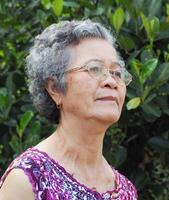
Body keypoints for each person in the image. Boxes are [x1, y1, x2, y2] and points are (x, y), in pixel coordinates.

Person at [0, 19, 137, 200]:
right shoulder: (27, 180)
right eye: (94, 69)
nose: (111, 82)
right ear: (55, 88)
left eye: (117, 72)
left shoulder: (126, 190)